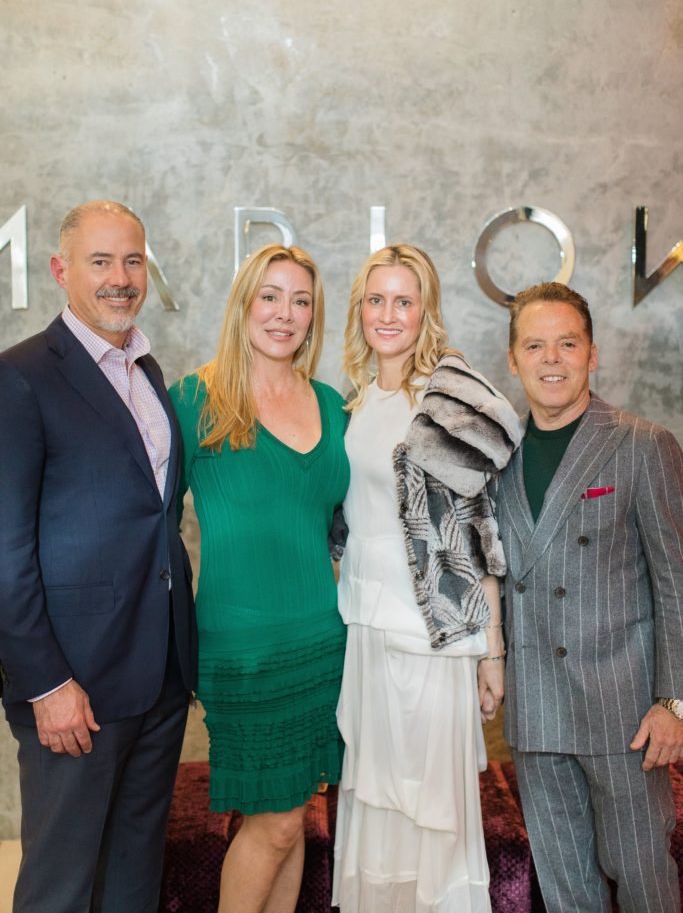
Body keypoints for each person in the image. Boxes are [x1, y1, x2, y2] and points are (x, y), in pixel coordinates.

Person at [0, 200, 197, 913]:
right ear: (61, 270)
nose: (121, 278)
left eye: (133, 260)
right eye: (101, 261)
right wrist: (45, 683)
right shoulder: (20, 377)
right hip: (73, 688)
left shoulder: (147, 372)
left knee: (133, 879)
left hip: (159, 676)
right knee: (60, 886)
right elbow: (5, 548)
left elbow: (153, 517)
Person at [331, 244, 522, 913]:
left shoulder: (449, 397)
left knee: (431, 815)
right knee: (378, 802)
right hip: (363, 624)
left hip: (432, 633)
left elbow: (481, 533)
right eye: (375, 299)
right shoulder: (354, 401)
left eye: (403, 301)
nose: (388, 314)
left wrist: (491, 651)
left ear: (425, 310)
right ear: (359, 309)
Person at [169, 242, 349, 913]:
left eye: (300, 301)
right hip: (243, 652)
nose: (284, 313)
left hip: (323, 643)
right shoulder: (193, 400)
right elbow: (140, 522)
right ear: (243, 304)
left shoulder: (333, 407)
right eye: (269, 297)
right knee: (271, 823)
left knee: (296, 814)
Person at [495, 281, 683, 913]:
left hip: (626, 713)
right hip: (537, 710)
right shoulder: (497, 458)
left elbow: (676, 583)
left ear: (593, 355)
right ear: (513, 360)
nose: (552, 359)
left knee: (641, 875)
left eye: (568, 343)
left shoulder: (641, 445)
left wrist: (675, 701)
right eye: (536, 345)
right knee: (566, 889)